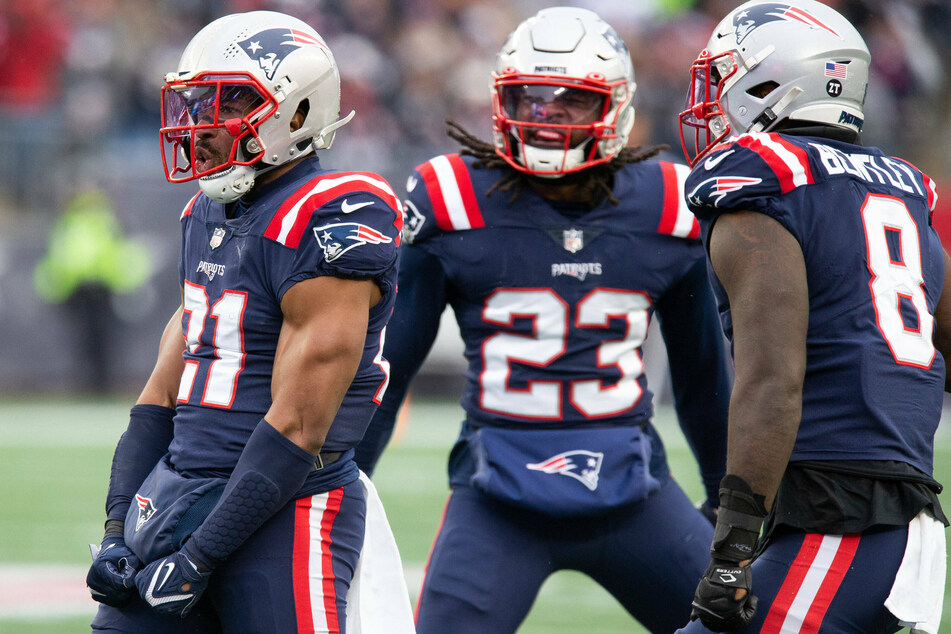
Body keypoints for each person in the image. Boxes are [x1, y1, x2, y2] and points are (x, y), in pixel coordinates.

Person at [354, 7, 732, 633]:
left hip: (635, 495)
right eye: (528, 99)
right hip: (496, 500)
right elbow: (386, 371)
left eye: (570, 103)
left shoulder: (669, 205)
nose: (545, 116)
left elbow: (701, 379)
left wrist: (725, 498)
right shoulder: (449, 198)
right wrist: (348, 485)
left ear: (615, 108)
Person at [85, 11, 413, 633]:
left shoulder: (330, 215)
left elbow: (299, 426)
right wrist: (117, 528)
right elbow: (161, 393)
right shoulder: (204, 214)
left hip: (287, 508)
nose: (201, 124)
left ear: (297, 114)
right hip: (180, 490)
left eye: (231, 100)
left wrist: (202, 554)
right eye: (196, 100)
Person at [676, 0, 949, 632]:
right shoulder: (901, 185)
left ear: (772, 82)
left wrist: (732, 549)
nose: (714, 101)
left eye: (725, 78)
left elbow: (773, 379)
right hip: (888, 512)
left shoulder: (768, 181)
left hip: (843, 519)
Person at [34, 186, 151, 393]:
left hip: (100, 287)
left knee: (100, 337)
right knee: (85, 337)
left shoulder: (89, 222)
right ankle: (89, 381)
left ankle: (101, 381)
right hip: (80, 289)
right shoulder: (88, 222)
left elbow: (114, 254)